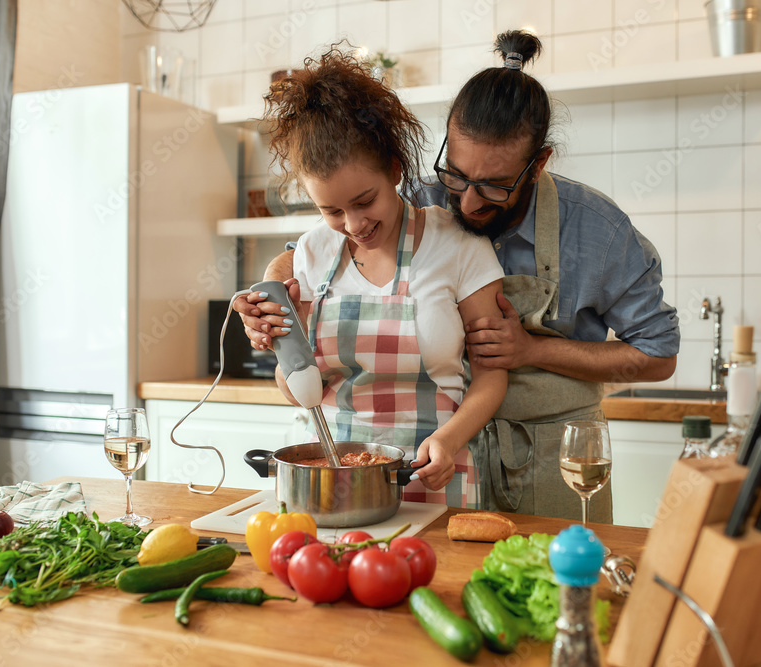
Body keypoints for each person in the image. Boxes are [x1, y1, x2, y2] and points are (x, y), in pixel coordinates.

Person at [242, 32, 680, 522]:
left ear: (537, 166)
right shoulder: (416, 196)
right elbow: (319, 250)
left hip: (547, 457)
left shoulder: (597, 230)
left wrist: (533, 350)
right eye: (455, 173)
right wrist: (269, 300)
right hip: (433, 467)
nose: (467, 202)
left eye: (493, 187)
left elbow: (658, 356)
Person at [234, 46, 508, 506]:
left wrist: (451, 440)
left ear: (395, 170)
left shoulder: (457, 246)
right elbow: (301, 390)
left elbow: (491, 378)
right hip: (334, 485)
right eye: (331, 210)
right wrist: (284, 346)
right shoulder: (311, 252)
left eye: (365, 201)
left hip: (433, 475)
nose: (354, 224)